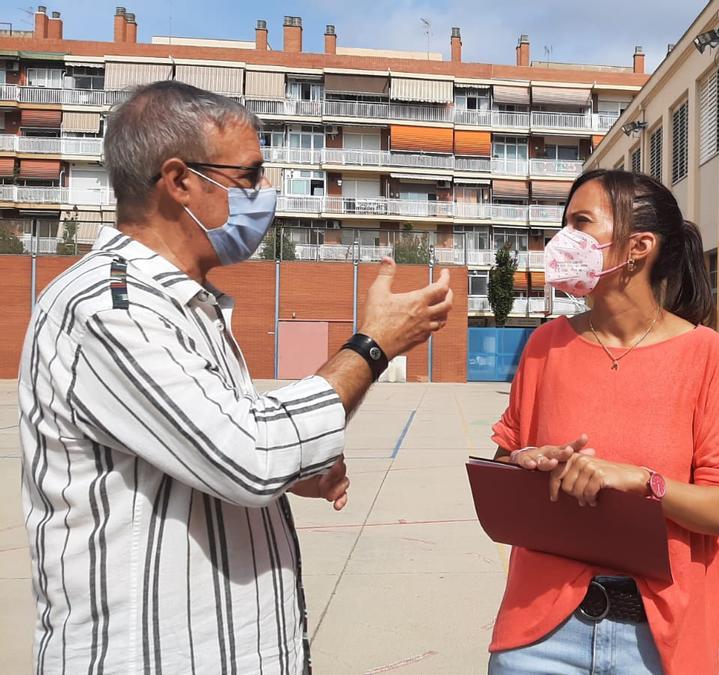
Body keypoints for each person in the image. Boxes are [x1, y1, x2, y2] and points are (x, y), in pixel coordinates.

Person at [18, 81, 453, 673]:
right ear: (179, 182)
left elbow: (218, 448)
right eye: (248, 176)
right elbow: (251, 457)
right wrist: (373, 346)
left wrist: (290, 473)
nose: (263, 193)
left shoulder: (182, 305)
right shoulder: (107, 309)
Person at [487, 170, 719, 675]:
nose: (562, 239)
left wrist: (639, 480)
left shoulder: (706, 355)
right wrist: (523, 463)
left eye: (580, 223)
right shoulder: (546, 345)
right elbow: (504, 475)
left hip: (659, 643)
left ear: (638, 247)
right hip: (540, 635)